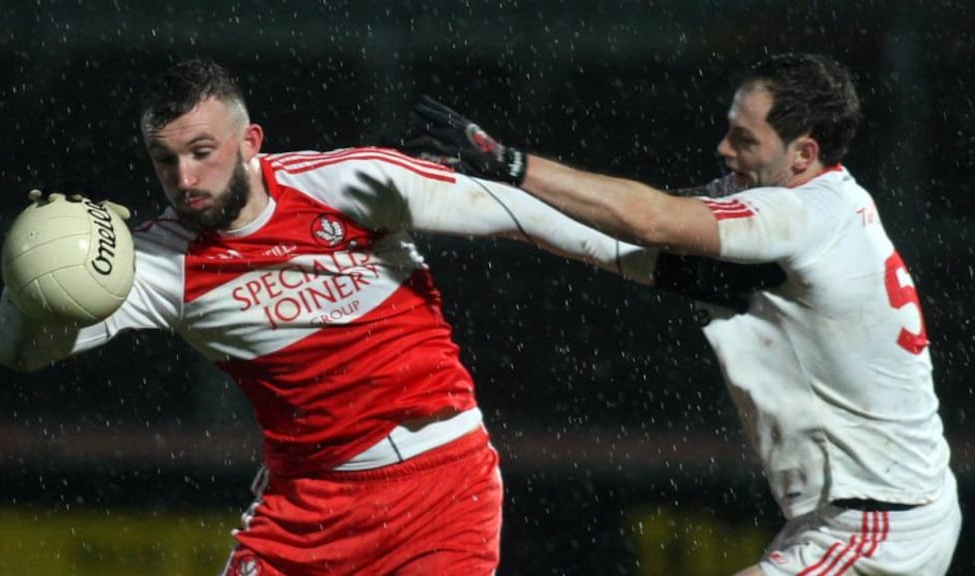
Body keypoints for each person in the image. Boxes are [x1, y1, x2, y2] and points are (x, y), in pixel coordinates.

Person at [0, 57, 728, 575]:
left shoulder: (352, 184)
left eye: (201, 152)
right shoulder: (155, 262)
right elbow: (21, 354)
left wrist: (664, 266)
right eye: (164, 160)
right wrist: (28, 278)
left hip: (443, 487)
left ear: (250, 143)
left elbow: (519, 215)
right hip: (304, 513)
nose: (184, 179)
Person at [403, 52, 961, 575]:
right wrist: (472, 184)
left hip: (878, 528)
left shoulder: (800, 215)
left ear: (804, 154)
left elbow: (651, 223)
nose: (724, 148)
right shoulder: (808, 203)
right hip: (871, 512)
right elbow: (609, 235)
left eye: (744, 139)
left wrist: (509, 163)